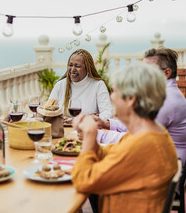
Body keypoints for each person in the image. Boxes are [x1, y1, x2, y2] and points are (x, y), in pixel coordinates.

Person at [71, 63, 178, 213]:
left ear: (131, 99)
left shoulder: (144, 144)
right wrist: (93, 138)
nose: (112, 98)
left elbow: (82, 181)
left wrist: (89, 136)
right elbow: (112, 154)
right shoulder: (150, 133)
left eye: (114, 92)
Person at [94, 47, 186, 166]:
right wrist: (106, 124)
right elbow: (139, 126)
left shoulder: (165, 102)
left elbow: (136, 138)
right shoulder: (165, 94)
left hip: (162, 167)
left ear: (166, 73)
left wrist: (97, 135)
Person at [49, 49, 112, 120]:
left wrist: (90, 119)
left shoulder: (98, 85)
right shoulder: (60, 85)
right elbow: (48, 110)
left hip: (87, 128)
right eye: (70, 65)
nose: (72, 69)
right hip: (64, 129)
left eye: (77, 66)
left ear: (87, 68)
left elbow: (107, 113)